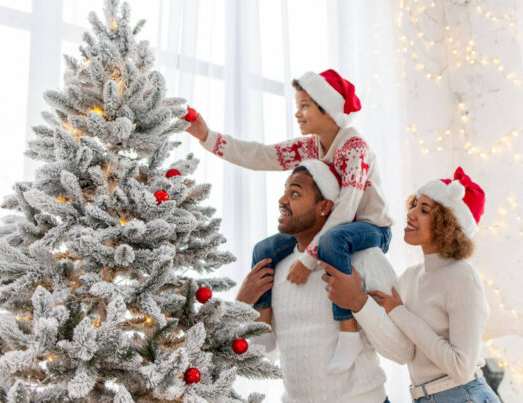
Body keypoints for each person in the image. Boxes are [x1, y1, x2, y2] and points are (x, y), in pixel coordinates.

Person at [187, 69, 394, 373]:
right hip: (332, 225)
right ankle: (264, 328)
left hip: (368, 228)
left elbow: (347, 207)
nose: (298, 113)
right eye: (298, 106)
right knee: (266, 248)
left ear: (328, 107)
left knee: (334, 241)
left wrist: (308, 260)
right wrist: (207, 137)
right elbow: (261, 155)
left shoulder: (354, 149)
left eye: (306, 105)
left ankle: (347, 330)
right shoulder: (310, 146)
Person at [321, 167, 501, 403]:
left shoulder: (462, 276)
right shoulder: (409, 278)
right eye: (414, 204)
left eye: (424, 209)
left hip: (463, 395)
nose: (411, 213)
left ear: (447, 224)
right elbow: (404, 350)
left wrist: (399, 312)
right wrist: (357, 301)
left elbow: (461, 367)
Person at [235, 160, 409, 402]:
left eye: (295, 193)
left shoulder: (365, 259)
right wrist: (242, 303)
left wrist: (359, 302)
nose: (282, 200)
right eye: (284, 191)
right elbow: (268, 352)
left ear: (324, 207)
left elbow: (403, 351)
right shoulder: (276, 268)